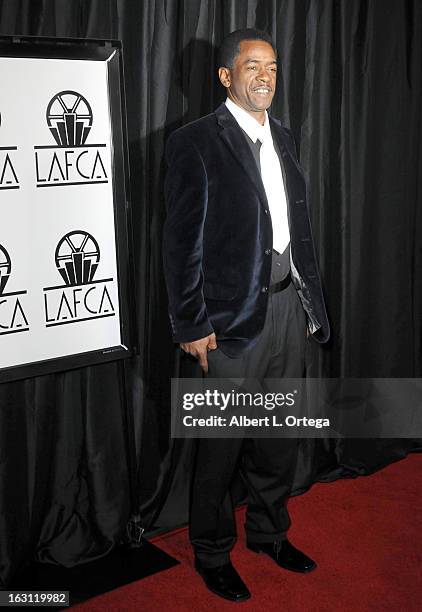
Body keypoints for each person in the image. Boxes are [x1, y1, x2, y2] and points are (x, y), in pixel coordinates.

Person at [163, 28, 330, 602]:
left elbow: (293, 228)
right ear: (226, 77)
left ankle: (268, 532)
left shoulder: (283, 136)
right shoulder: (194, 143)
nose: (266, 77)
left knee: (278, 437)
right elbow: (180, 244)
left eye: (274, 67)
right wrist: (191, 325)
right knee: (220, 445)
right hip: (229, 324)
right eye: (253, 66)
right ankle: (212, 552)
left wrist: (309, 300)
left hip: (287, 309)